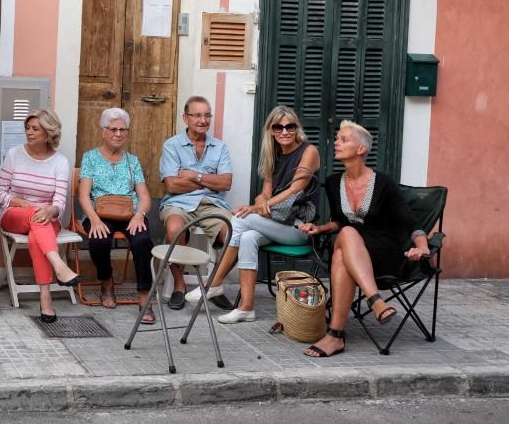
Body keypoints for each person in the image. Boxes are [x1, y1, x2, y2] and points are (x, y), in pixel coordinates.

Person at [301, 121, 431, 358]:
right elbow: (339, 221)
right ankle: (374, 303)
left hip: (383, 255)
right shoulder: (333, 183)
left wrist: (422, 248)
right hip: (352, 250)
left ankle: (336, 336)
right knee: (346, 236)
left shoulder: (383, 183)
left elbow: (411, 223)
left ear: (361, 149)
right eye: (337, 139)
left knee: (342, 251)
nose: (336, 143)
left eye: (343, 139)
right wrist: (319, 228)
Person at [186, 105, 320, 323]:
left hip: (300, 227)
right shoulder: (273, 155)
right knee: (248, 237)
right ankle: (246, 307)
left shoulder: (309, 151)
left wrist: (257, 208)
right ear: (271, 131)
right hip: (276, 223)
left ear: (297, 128)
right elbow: (265, 193)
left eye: (290, 126)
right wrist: (259, 203)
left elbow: (295, 189)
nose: (284, 131)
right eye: (278, 127)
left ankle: (213, 283)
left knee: (240, 220)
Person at [0, 109, 82, 323]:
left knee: (37, 234)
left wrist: (51, 210)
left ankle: (45, 298)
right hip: (14, 215)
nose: (29, 132)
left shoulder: (60, 162)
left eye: (35, 129)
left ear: (49, 133)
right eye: (28, 128)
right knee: (36, 215)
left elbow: (59, 203)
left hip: (46, 219)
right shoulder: (14, 154)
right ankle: (59, 266)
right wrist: (17, 201)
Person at [77, 108, 155, 322]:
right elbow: (83, 195)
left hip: (130, 213)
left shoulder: (133, 161)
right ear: (103, 131)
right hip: (99, 213)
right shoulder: (90, 158)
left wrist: (139, 215)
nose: (118, 134)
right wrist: (94, 220)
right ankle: (106, 282)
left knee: (142, 241)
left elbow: (145, 196)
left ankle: (144, 296)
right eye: (113, 129)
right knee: (99, 240)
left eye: (123, 130)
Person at [158, 96, 233, 311]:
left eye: (207, 115)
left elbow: (226, 183)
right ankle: (179, 285)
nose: (203, 120)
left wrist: (194, 176)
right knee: (174, 229)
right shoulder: (172, 145)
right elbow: (172, 185)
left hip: (212, 204)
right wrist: (210, 181)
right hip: (178, 203)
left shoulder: (219, 147)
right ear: (186, 118)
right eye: (197, 115)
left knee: (236, 234)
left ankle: (212, 285)